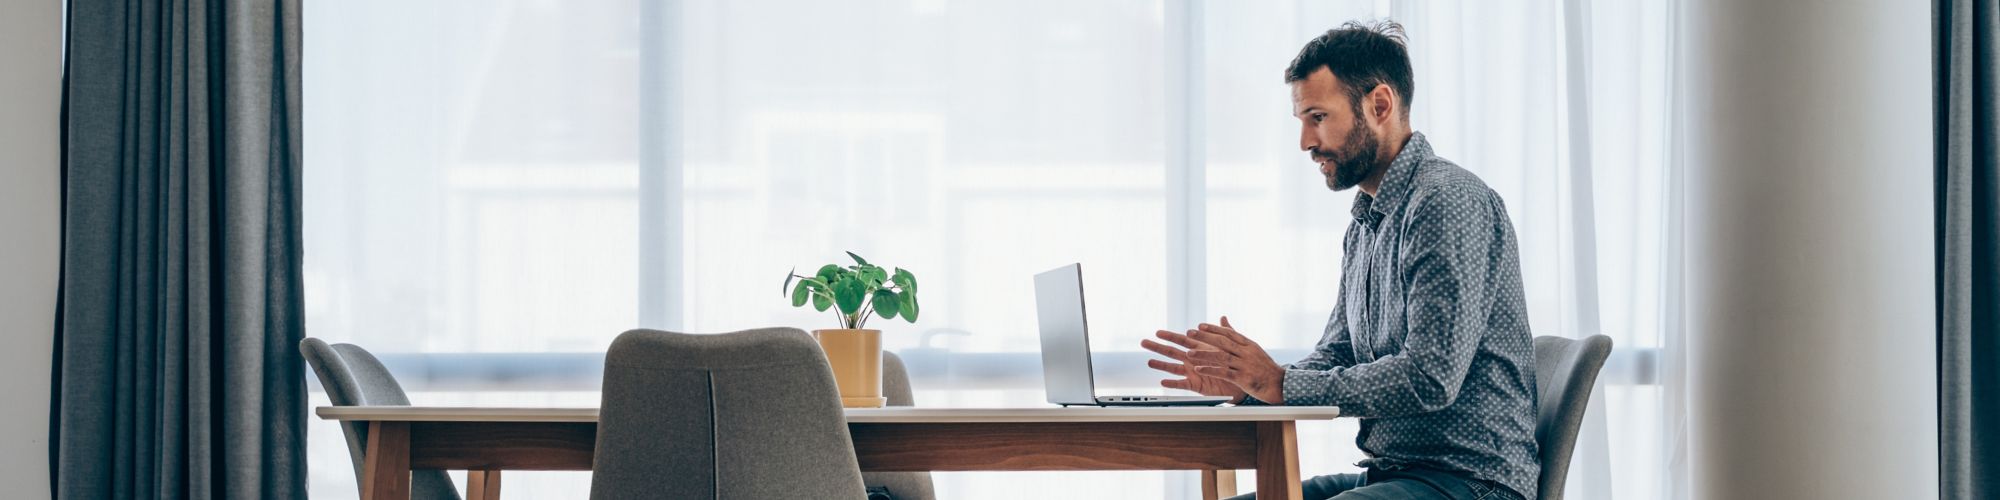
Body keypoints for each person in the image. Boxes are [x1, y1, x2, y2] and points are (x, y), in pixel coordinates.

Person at [1141, 20, 1540, 500]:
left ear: (1379, 105)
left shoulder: (1446, 201)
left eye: (1318, 117)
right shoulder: (1366, 224)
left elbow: (1430, 379)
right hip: (1392, 475)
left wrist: (1282, 384)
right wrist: (1251, 386)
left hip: (1470, 483)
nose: (1306, 142)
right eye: (1302, 122)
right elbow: (1338, 353)